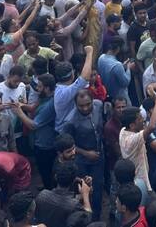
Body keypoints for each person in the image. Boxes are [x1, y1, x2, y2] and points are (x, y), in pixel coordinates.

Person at [63, 89, 106, 219]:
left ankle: (97, 218)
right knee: (85, 190)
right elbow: (67, 145)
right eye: (81, 105)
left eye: (88, 104)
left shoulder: (98, 105)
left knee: (98, 189)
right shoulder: (70, 121)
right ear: (75, 105)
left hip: (99, 156)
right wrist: (86, 153)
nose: (85, 108)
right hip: (82, 161)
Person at [120, 95, 156, 193]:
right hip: (140, 184)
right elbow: (151, 126)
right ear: (132, 125)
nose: (143, 120)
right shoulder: (133, 139)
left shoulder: (123, 131)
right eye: (139, 119)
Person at [35, 162, 92, 227]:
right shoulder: (74, 206)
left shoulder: (42, 195)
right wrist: (86, 195)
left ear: (55, 177)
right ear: (73, 181)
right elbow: (87, 217)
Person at [54, 45, 94, 133]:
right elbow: (84, 78)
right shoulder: (64, 92)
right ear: (72, 74)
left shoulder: (62, 88)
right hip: (65, 131)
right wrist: (89, 53)